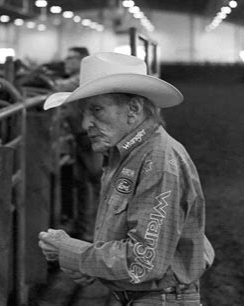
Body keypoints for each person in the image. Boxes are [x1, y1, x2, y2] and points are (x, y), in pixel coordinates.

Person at [38, 52, 215, 305]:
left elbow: (143, 262)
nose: (87, 122)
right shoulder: (128, 155)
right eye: (84, 112)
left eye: (97, 110)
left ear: (133, 110)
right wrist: (90, 266)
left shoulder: (158, 163)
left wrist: (70, 252)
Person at [55, 47, 104, 242]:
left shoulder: (81, 78)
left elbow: (56, 86)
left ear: (82, 60)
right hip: (82, 136)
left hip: (90, 136)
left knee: (95, 182)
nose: (66, 61)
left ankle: (97, 231)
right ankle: (86, 229)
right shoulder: (81, 78)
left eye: (71, 57)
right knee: (84, 183)